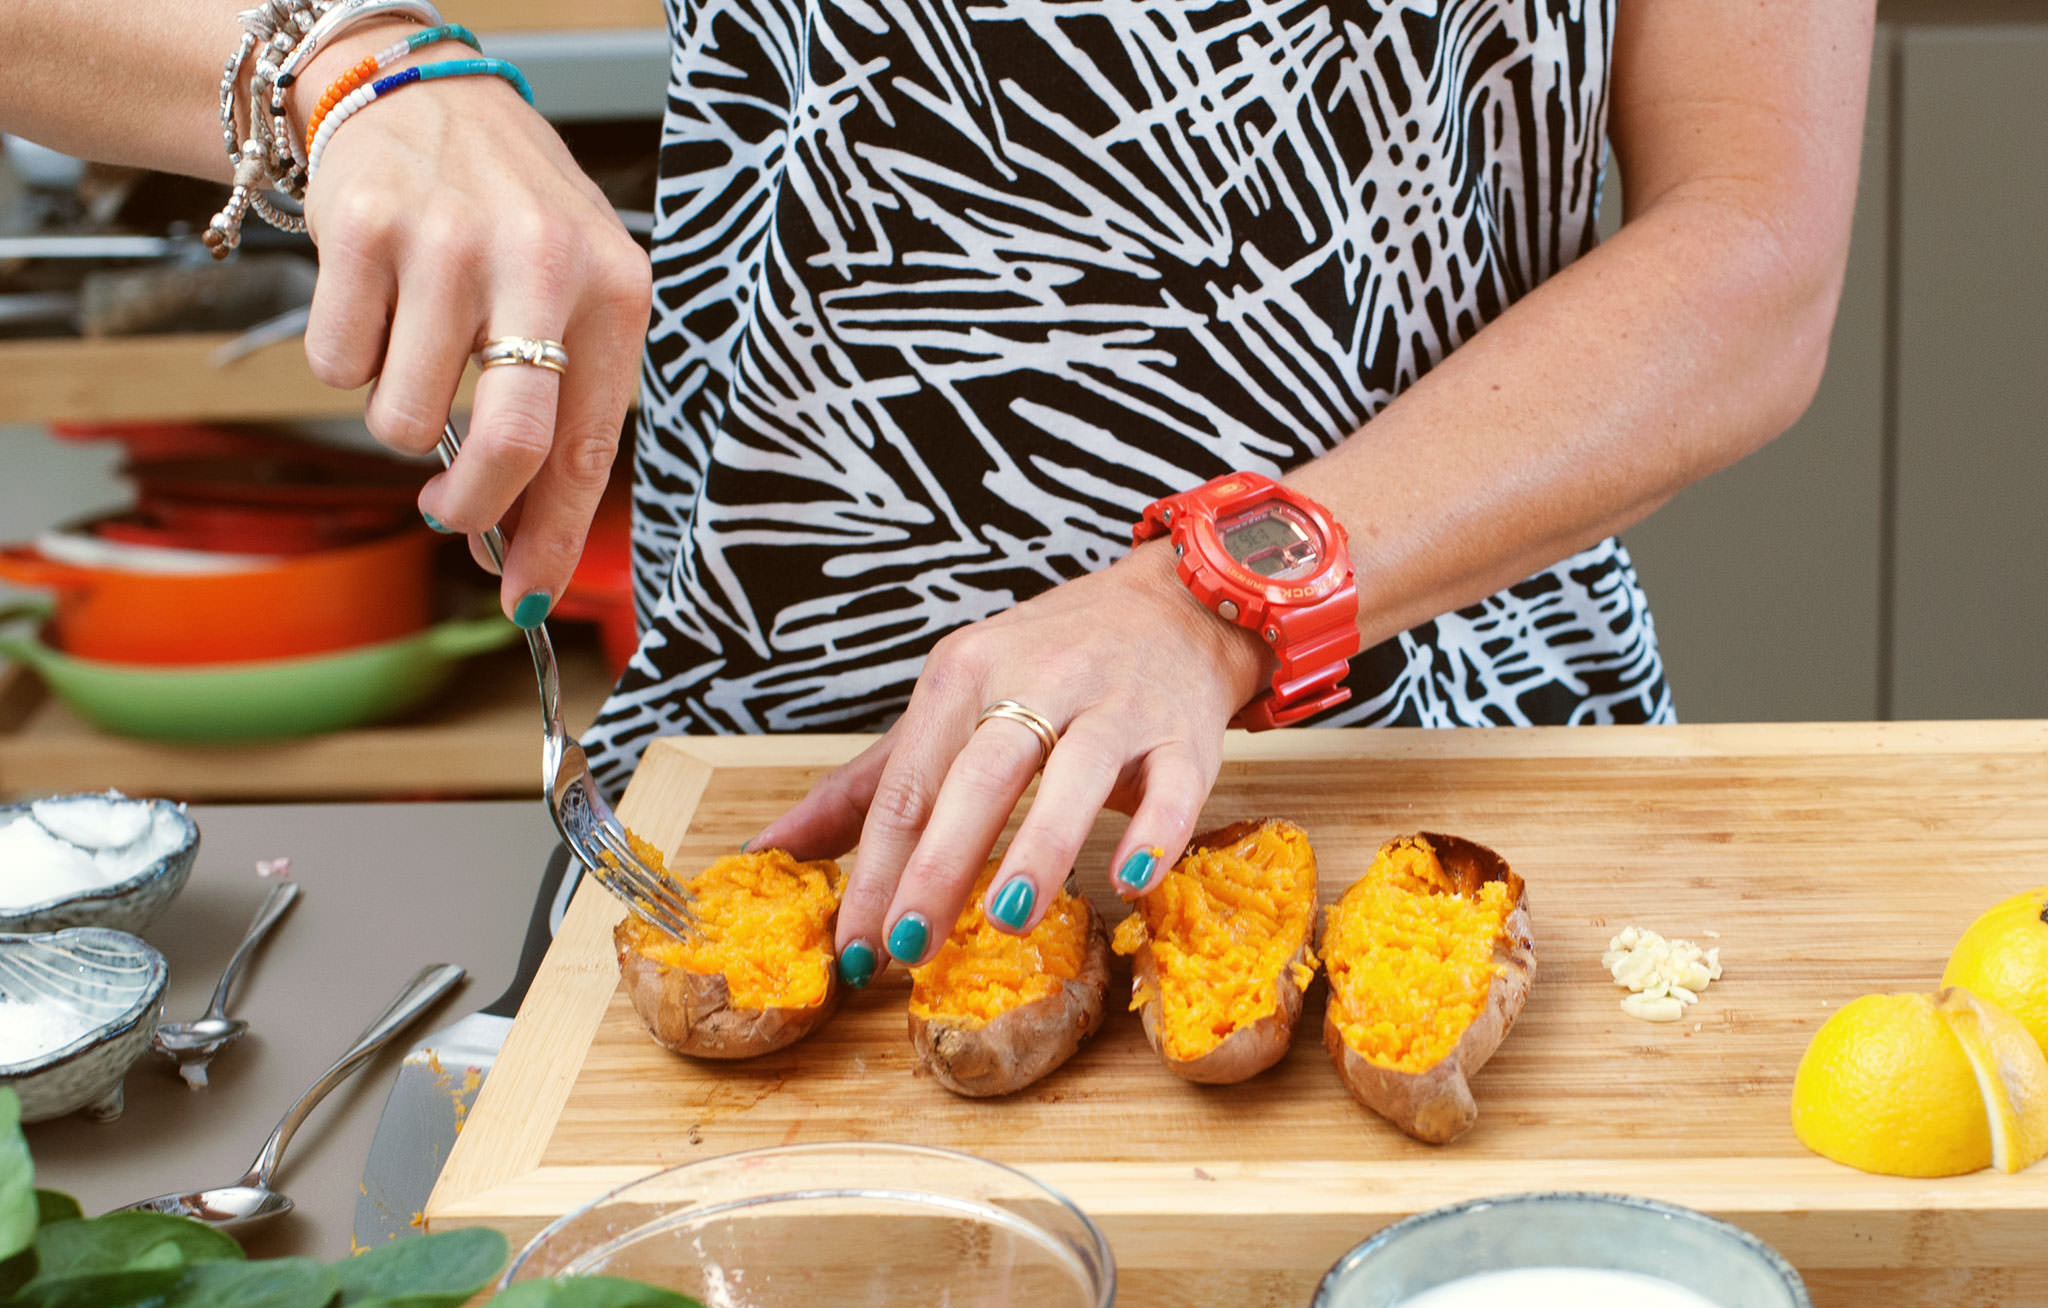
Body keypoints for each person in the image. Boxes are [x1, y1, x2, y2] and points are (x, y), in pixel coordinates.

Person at [3, 0, 1876, 989]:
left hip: (1436, 780)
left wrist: (1215, 597)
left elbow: (1755, 251)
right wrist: (336, 62)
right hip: (803, 809)